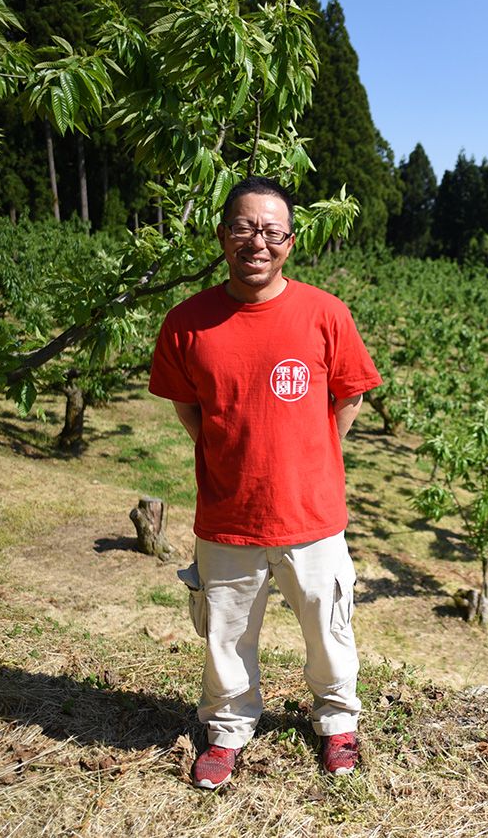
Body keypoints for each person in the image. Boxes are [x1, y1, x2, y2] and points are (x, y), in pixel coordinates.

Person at [148, 176, 381, 789]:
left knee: (329, 627)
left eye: (272, 231)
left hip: (312, 515)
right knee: (225, 635)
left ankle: (335, 722)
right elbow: (189, 408)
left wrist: (312, 454)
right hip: (228, 514)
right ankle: (227, 728)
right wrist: (232, 454)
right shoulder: (186, 322)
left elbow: (348, 394)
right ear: (224, 235)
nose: (259, 241)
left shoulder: (325, 313)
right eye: (246, 228)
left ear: (290, 241)